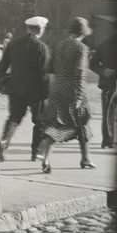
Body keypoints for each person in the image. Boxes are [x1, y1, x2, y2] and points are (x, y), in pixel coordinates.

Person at [36, 17, 96, 173]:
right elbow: (80, 73)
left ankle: (47, 159)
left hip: (57, 89)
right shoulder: (81, 48)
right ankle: (85, 159)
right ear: (82, 32)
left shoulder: (59, 46)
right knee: (81, 124)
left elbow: (50, 68)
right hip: (74, 91)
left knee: (55, 125)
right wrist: (78, 97)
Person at [0, 16, 50, 162]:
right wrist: (48, 92)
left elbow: (2, 65)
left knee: (14, 118)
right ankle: (37, 151)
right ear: (41, 29)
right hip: (36, 91)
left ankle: (4, 142)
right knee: (40, 121)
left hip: (16, 87)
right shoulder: (41, 47)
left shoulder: (13, 44)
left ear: (27, 28)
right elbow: (44, 73)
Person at [88, 31, 117, 148]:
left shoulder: (103, 44)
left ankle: (109, 141)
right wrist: (103, 70)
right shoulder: (105, 45)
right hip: (109, 83)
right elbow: (92, 64)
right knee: (108, 113)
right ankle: (107, 141)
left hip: (109, 83)